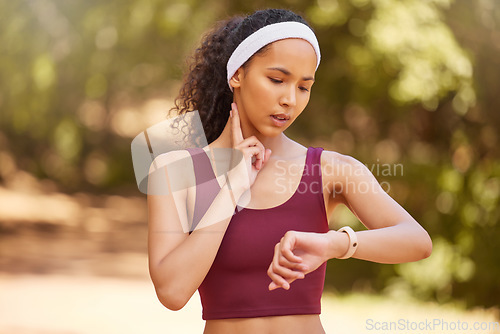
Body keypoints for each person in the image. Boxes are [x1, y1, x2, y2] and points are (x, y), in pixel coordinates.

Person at [147, 8, 432, 334]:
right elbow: (172, 292)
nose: (289, 100)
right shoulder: (174, 171)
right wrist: (231, 188)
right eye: (277, 80)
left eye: (303, 87)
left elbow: (417, 241)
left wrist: (335, 244)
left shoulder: (330, 170)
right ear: (237, 74)